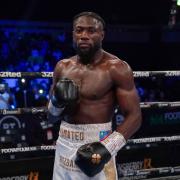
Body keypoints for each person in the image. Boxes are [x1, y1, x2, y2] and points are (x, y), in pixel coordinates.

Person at [48, 11, 142, 180]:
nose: (84, 36)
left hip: (98, 144)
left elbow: (135, 116)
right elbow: (51, 116)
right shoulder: (62, 67)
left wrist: (107, 148)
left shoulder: (116, 68)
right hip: (64, 146)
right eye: (79, 30)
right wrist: (57, 102)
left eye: (91, 31)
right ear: (73, 34)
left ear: (102, 35)